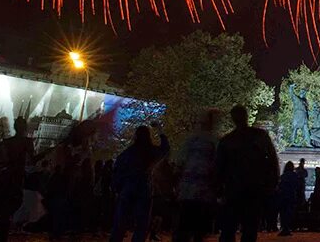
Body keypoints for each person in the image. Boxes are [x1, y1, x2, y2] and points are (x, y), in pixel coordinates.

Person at [216, 104, 279, 242]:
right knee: (249, 229)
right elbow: (273, 160)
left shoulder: (227, 141)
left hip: (234, 189)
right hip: (254, 188)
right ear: (246, 116)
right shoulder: (260, 136)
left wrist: (219, 189)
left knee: (229, 228)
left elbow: (219, 168)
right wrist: (272, 183)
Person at [110, 125, 170, 242]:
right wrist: (161, 132)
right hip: (143, 188)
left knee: (120, 223)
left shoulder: (128, 153)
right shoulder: (151, 151)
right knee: (141, 224)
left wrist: (117, 187)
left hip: (127, 188)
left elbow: (117, 170)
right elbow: (165, 149)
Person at [174, 110, 219, 242]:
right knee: (199, 230)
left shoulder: (190, 141)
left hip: (188, 190)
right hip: (204, 192)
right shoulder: (214, 141)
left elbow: (179, 163)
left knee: (184, 228)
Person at [0, 117, 35, 242]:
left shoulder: (7, 142)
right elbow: (31, 160)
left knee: (2, 207)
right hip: (15, 179)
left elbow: (2, 160)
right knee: (7, 209)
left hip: (6, 177)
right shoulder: (27, 142)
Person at [276, 162, 303, 236]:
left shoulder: (283, 176)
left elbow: (279, 186)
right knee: (289, 213)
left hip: (283, 196)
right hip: (291, 196)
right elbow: (297, 186)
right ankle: (287, 228)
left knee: (283, 213)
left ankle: (284, 228)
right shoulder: (294, 176)